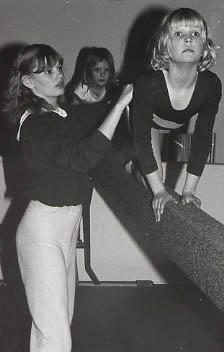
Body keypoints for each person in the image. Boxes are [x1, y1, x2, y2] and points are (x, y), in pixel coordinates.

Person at [1, 43, 133, 352]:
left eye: (59, 67)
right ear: (28, 82)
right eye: (47, 70)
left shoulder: (59, 116)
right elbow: (82, 155)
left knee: (56, 328)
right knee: (54, 336)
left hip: (64, 229)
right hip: (43, 232)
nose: (58, 74)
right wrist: (118, 105)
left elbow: (92, 136)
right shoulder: (36, 124)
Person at [130, 7, 222, 222]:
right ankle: (132, 167)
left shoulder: (210, 85)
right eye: (179, 34)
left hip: (174, 125)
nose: (188, 40)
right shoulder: (149, 83)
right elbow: (141, 139)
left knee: (162, 181)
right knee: (155, 182)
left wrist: (189, 191)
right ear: (165, 46)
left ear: (205, 47)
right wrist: (159, 190)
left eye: (195, 34)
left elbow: (202, 139)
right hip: (146, 124)